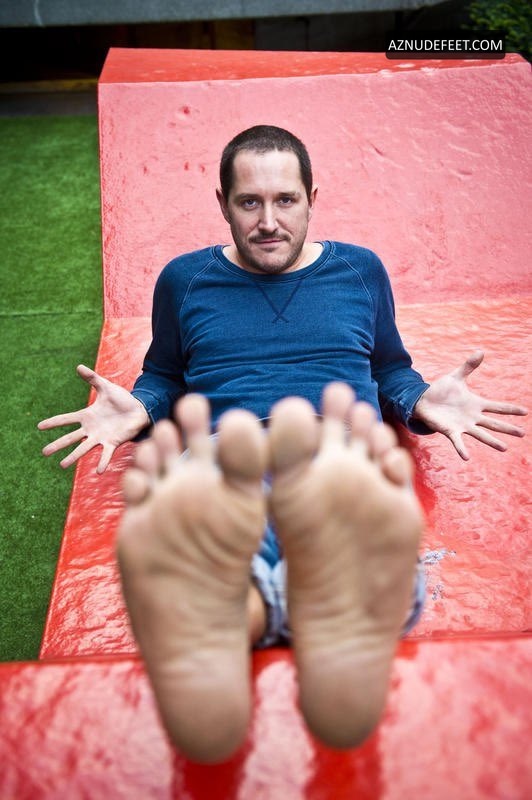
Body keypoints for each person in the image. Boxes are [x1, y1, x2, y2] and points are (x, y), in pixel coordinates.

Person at [38, 126, 526, 763]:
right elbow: (164, 375)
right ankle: (266, 619)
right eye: (250, 202)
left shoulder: (359, 270)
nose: (268, 221)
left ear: (311, 198)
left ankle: (268, 614)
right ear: (222, 203)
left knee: (328, 508)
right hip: (223, 452)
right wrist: (141, 407)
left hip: (333, 453)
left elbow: (388, 367)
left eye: (285, 200)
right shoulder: (185, 280)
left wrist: (418, 404)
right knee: (225, 522)